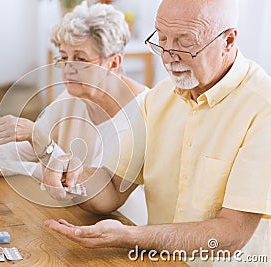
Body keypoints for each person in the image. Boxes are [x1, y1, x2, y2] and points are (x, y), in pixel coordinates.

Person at [43, 0, 271, 265]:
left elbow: (232, 233)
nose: (168, 56)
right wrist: (72, 176)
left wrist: (131, 236)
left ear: (228, 41)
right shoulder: (158, 99)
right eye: (162, 39)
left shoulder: (263, 108)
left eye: (185, 43)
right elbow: (114, 186)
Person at [0, 2, 148, 209]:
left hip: (121, 223)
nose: (68, 69)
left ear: (113, 63)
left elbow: (100, 198)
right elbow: (25, 156)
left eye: (80, 59)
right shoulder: (72, 97)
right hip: (71, 214)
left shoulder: (143, 110)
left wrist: (38, 137)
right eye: (64, 57)